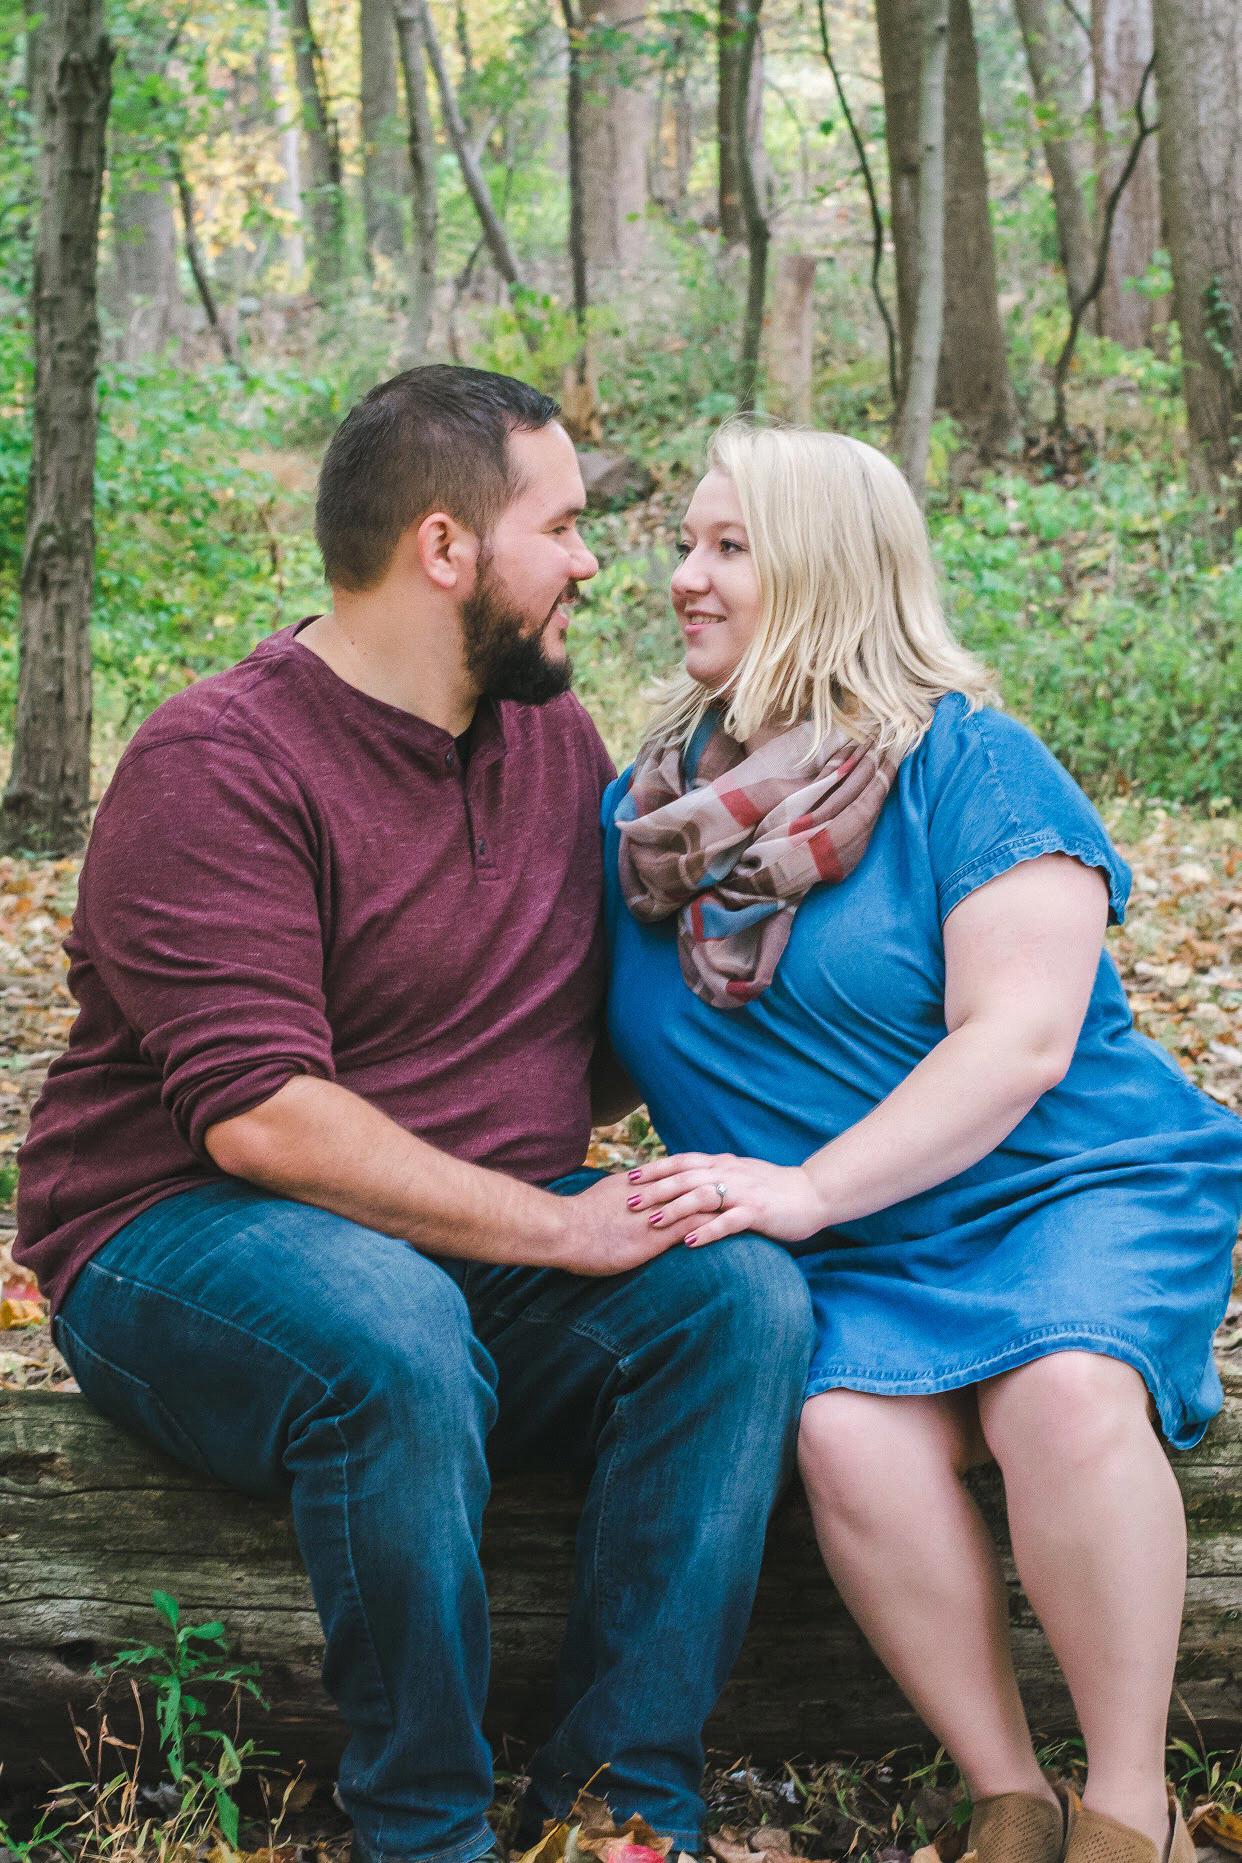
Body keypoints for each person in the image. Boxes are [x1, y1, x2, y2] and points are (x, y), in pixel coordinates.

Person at [14, 369, 815, 1863]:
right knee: (391, 1329)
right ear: (444, 548)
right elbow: (259, 1119)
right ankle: (426, 1830)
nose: (593, 562)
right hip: (177, 1236)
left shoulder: (554, 749)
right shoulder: (217, 760)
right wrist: (562, 1230)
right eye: (560, 526)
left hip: (468, 1246)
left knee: (740, 1297)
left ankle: (621, 1806)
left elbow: (585, 1046)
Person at [602, 422, 1242, 1863]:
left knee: (1060, 1395)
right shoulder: (645, 818)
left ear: (827, 571)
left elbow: (1018, 1044)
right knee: (842, 1433)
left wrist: (809, 1186)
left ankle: (1127, 1811)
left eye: (727, 547)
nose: (684, 576)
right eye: (684, 543)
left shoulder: (971, 766)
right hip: (847, 1243)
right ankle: (1007, 1794)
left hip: (1059, 1190)